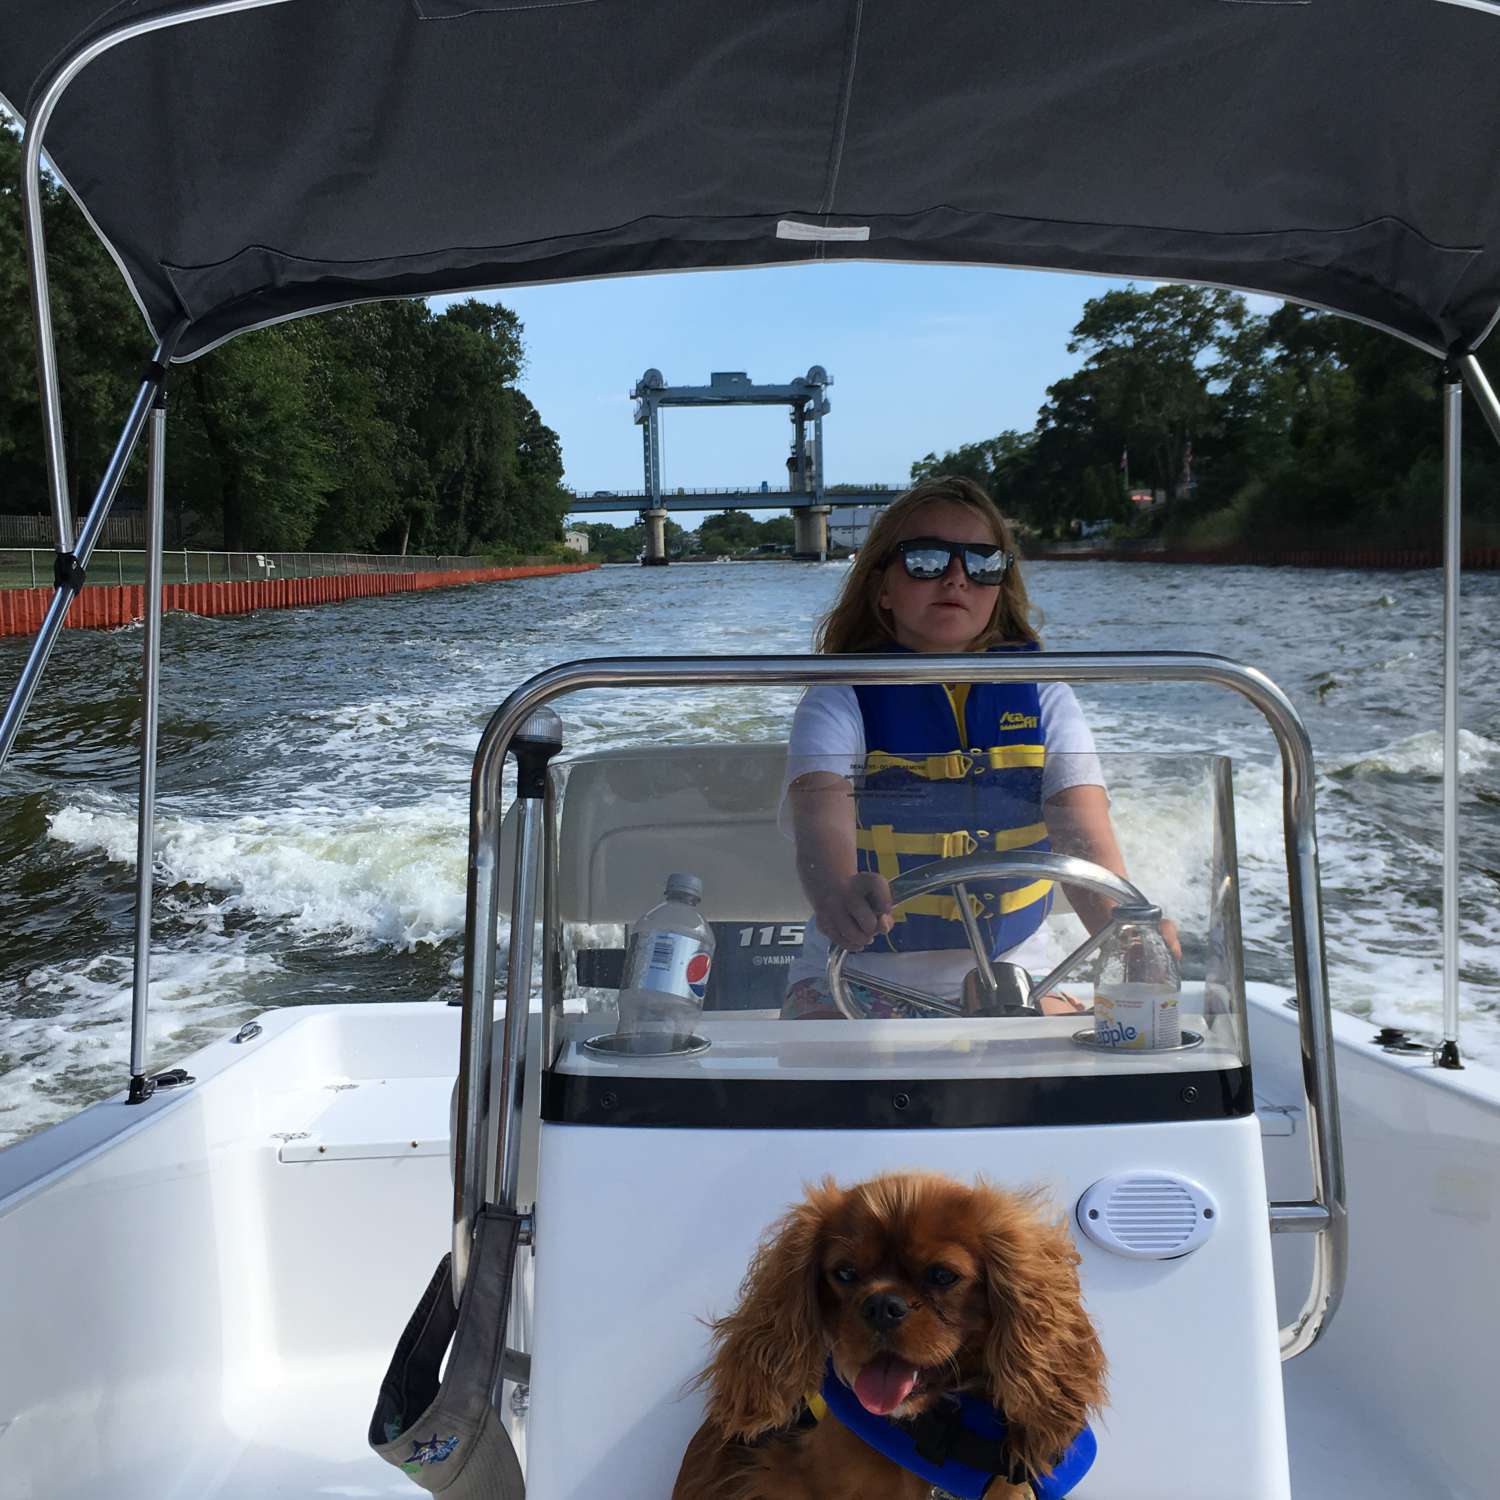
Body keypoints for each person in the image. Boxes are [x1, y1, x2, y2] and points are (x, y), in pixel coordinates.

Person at [779, 475, 1164, 1020]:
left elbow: (1080, 831)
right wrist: (838, 892)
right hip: (854, 976)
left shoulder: (1047, 697)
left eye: (983, 562)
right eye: (927, 559)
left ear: (1000, 585)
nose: (957, 577)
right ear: (881, 586)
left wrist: (1129, 934)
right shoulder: (838, 698)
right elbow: (820, 807)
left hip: (1022, 977)